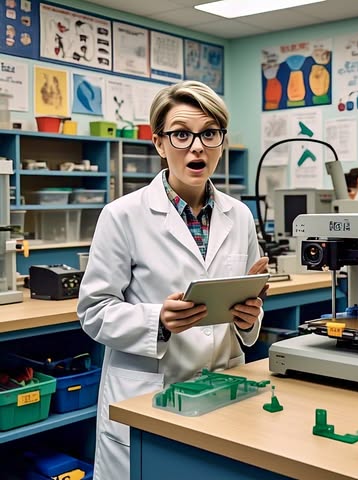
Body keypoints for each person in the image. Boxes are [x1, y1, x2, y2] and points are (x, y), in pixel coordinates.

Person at [77, 80, 268, 480]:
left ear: (221, 142)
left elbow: (248, 310)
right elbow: (94, 311)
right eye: (181, 134)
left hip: (223, 387)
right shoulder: (122, 215)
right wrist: (156, 321)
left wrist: (250, 318)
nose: (196, 147)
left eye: (209, 133)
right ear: (159, 143)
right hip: (150, 392)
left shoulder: (241, 216)